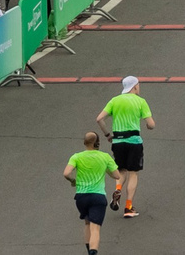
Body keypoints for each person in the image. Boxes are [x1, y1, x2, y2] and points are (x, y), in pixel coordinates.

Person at [97, 74, 154, 217]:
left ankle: (117, 189)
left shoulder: (114, 100)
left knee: (121, 170)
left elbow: (99, 119)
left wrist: (107, 135)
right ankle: (128, 207)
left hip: (118, 141)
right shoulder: (140, 101)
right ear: (135, 86)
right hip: (134, 141)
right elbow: (151, 124)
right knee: (133, 173)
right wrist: (148, 125)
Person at [67, 132, 118, 252]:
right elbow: (116, 175)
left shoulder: (76, 157)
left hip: (81, 197)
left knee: (87, 223)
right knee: (95, 228)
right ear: (97, 143)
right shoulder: (105, 157)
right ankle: (93, 252)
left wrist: (73, 181)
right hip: (98, 197)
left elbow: (66, 173)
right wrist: (105, 169)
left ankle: (88, 250)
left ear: (85, 142)